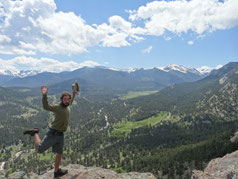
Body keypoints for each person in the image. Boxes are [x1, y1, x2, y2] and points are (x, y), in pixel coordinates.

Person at [24, 83, 79, 178]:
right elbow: (46, 107)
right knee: (39, 150)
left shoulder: (68, 105)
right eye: (65, 99)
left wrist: (73, 93)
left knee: (59, 153)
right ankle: (35, 133)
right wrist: (44, 95)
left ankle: (56, 171)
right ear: (61, 99)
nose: (67, 101)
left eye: (68, 99)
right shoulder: (57, 107)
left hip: (61, 134)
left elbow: (72, 99)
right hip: (52, 133)